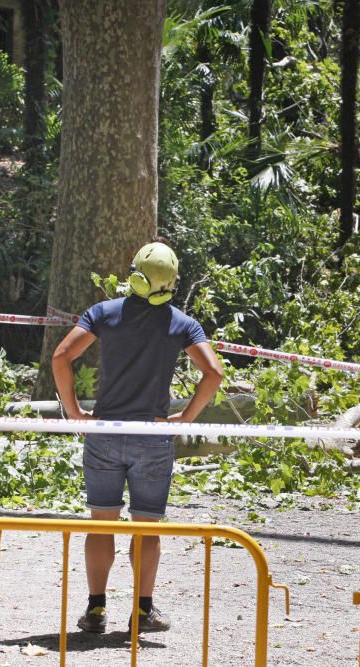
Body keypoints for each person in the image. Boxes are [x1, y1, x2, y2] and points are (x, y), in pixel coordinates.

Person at [52, 240, 223, 634]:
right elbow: (213, 373)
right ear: (171, 282)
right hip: (152, 437)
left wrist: (75, 410)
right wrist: (184, 419)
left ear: (135, 276)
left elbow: (61, 357)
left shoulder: (103, 314)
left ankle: (95, 610)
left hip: (105, 433)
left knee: (101, 524)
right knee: (147, 528)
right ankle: (143, 611)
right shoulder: (182, 323)